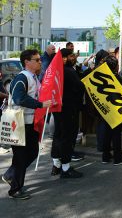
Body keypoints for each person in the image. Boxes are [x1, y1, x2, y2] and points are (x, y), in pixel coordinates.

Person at [2, 49, 52, 200]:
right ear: (27, 62)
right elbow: (18, 99)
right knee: (21, 157)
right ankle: (15, 190)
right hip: (19, 124)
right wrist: (40, 104)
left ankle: (11, 175)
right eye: (36, 60)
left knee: (32, 152)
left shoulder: (33, 77)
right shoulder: (22, 77)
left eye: (39, 59)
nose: (40, 62)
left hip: (28, 124)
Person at [50, 48, 84, 178]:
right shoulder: (68, 71)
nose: (73, 57)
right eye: (70, 56)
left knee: (58, 136)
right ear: (63, 58)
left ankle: (56, 164)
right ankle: (65, 167)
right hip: (68, 109)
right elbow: (79, 88)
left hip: (58, 109)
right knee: (67, 137)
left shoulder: (55, 71)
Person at [101, 55, 122, 165]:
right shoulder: (117, 78)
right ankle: (118, 158)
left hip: (106, 109)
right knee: (116, 135)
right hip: (117, 110)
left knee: (106, 134)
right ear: (116, 66)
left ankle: (105, 157)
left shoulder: (102, 77)